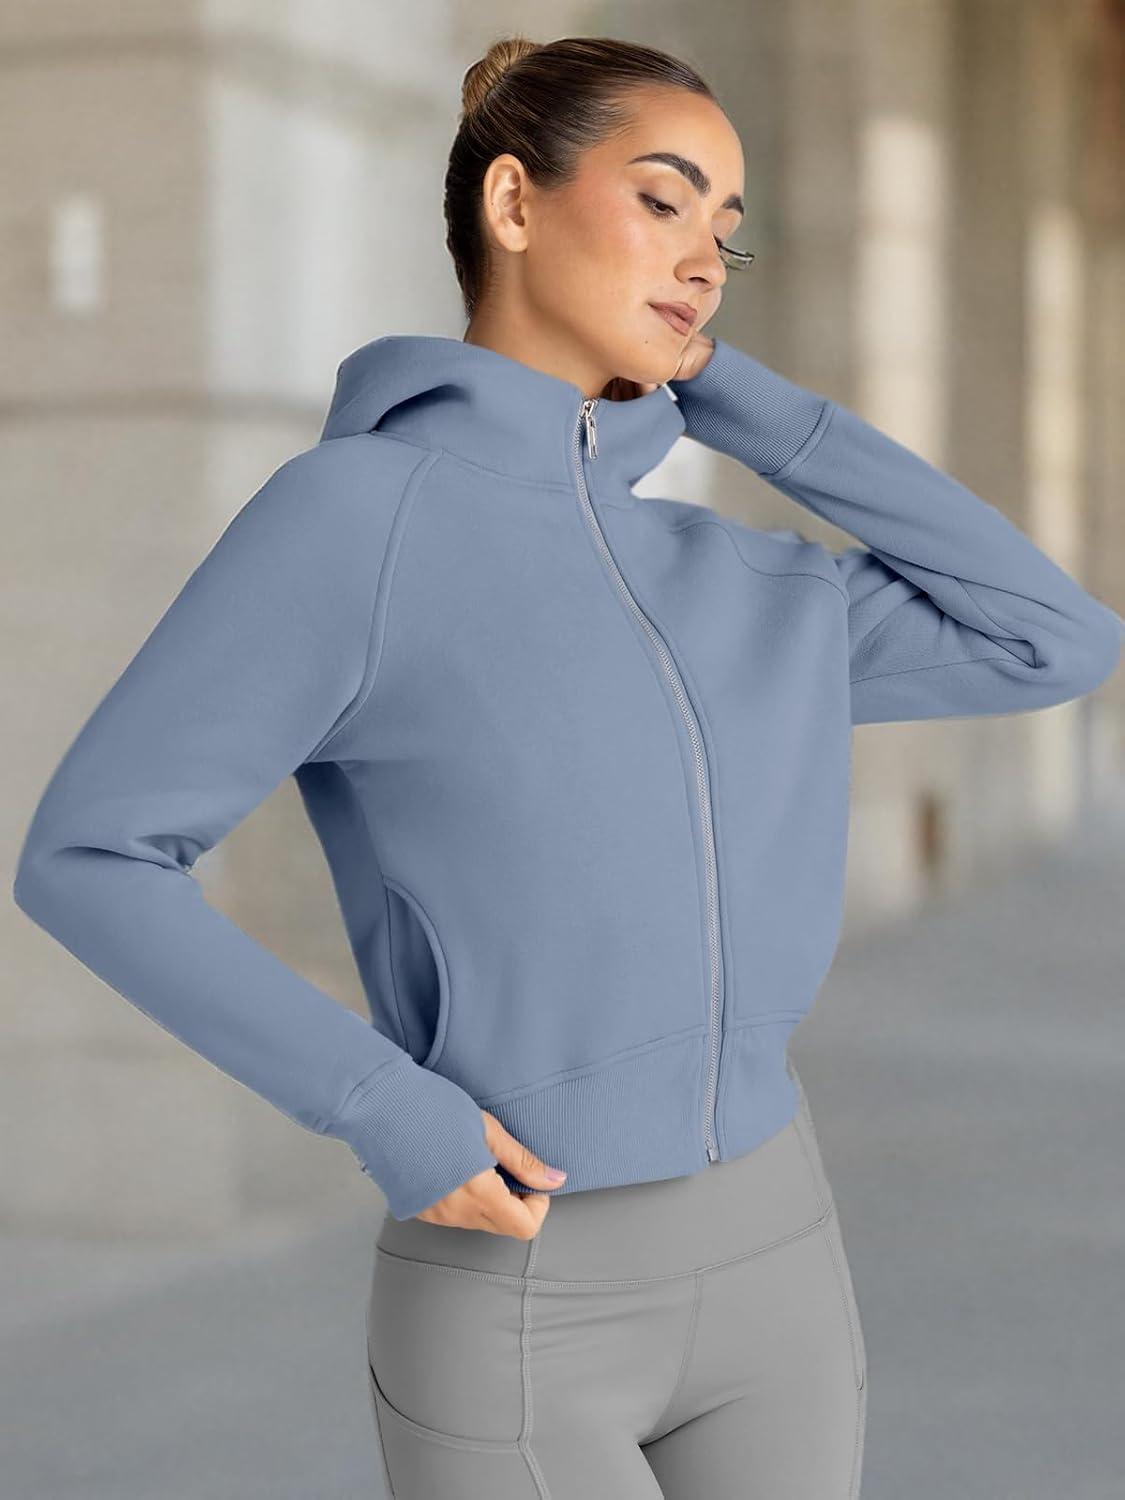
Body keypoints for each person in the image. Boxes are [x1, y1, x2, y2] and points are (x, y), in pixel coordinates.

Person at [13, 32, 1121, 1500]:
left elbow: (1055, 639)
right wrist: (382, 1106)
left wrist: (735, 395)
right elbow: (88, 856)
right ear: (513, 203)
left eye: (727, 231)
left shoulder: (735, 575)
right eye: (662, 201)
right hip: (525, 1281)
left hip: (779, 1255)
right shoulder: (356, 520)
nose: (704, 260)